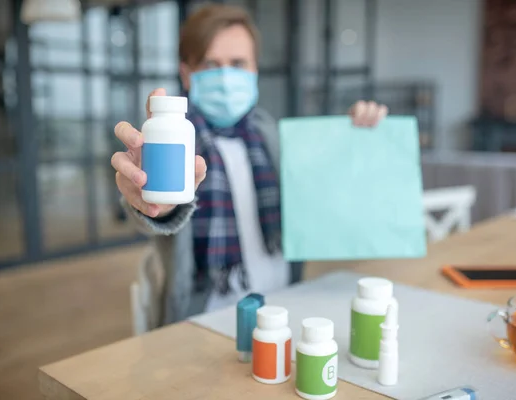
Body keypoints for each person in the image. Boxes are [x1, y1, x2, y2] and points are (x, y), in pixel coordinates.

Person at [111, 3, 389, 328]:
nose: (227, 76)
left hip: (285, 304)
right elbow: (151, 213)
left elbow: (323, 178)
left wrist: (352, 132)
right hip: (204, 317)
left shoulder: (271, 134)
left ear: (255, 70)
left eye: (238, 63)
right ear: (187, 74)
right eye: (211, 64)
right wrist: (148, 203)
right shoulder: (172, 143)